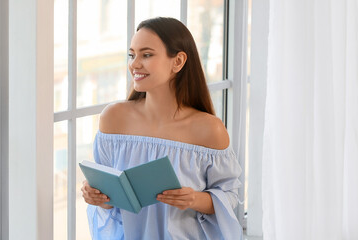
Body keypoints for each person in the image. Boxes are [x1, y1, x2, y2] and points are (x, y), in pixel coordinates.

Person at [81, 17, 243, 240]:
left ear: (177, 62)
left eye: (146, 55)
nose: (134, 64)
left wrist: (194, 199)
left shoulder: (209, 130)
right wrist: (97, 196)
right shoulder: (113, 119)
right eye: (132, 54)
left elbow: (229, 195)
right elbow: (111, 201)